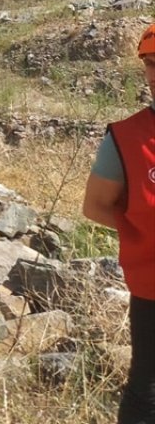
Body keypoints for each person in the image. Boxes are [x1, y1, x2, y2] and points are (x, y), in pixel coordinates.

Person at [83, 22, 155, 423]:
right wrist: (141, 230)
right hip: (153, 290)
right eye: (150, 63)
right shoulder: (127, 138)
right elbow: (95, 207)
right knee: (147, 388)